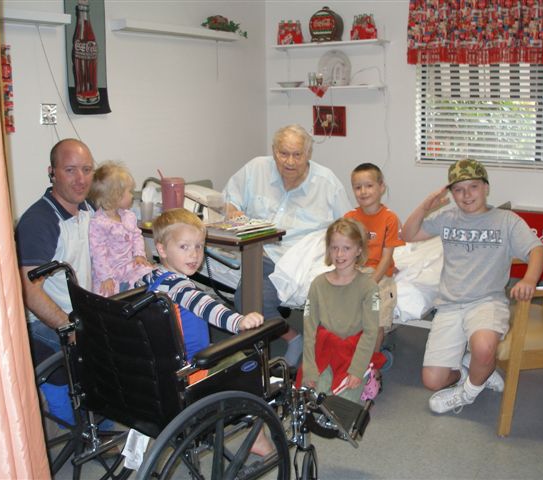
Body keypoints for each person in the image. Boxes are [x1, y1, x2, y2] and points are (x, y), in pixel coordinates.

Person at [401, 158, 543, 414]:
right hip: (449, 305)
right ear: (452, 194)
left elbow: (537, 250)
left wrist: (529, 279)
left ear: (486, 188)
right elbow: (407, 235)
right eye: (459, 189)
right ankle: (475, 372)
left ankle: (467, 392)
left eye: (474, 187)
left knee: (483, 347)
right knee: (433, 381)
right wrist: (425, 206)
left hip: (487, 302)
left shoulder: (506, 220)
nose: (467, 194)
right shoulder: (447, 218)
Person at [137, 208, 273, 455]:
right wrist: (239, 321)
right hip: (193, 372)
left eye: (199, 246)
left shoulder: (151, 279)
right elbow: (207, 307)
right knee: (247, 364)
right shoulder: (181, 288)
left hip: (160, 373)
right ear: (162, 249)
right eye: (184, 247)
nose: (194, 254)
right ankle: (256, 435)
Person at [223, 124, 352, 366]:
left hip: (299, 257)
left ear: (308, 154)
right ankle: (293, 338)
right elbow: (230, 199)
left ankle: (273, 342)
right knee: (247, 299)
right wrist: (233, 212)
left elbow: (346, 225)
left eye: (297, 155)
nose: (290, 162)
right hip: (260, 252)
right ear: (274, 151)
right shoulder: (256, 169)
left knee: (251, 300)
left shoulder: (326, 182)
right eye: (283, 153)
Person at [15, 138, 95, 427]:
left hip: (81, 311)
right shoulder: (40, 221)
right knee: (103, 350)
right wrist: (67, 326)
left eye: (87, 169)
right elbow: (27, 289)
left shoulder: (89, 209)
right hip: (42, 322)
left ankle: (104, 425)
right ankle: (73, 429)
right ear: (52, 173)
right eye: (70, 170)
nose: (80, 179)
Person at [300, 218, 384, 403]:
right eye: (334, 248)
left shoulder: (369, 287)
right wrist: (309, 368)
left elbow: (370, 332)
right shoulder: (318, 284)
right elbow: (309, 329)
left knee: (340, 407)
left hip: (353, 355)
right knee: (314, 401)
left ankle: (369, 375)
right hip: (324, 351)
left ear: (359, 250)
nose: (339, 254)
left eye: (346, 248)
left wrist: (357, 370)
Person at [345, 163, 405, 368]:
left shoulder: (390, 218)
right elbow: (344, 251)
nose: (363, 191)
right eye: (357, 187)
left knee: (376, 319)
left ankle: (371, 364)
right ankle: (348, 356)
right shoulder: (350, 219)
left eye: (369, 186)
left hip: (380, 274)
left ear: (382, 187)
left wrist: (370, 283)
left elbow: (386, 258)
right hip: (354, 270)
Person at [88, 161, 152, 297]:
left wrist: (139, 254)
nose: (132, 195)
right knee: (105, 294)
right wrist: (106, 277)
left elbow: (137, 236)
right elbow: (98, 253)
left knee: (149, 275)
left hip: (129, 266)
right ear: (115, 196)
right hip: (109, 271)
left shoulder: (129, 216)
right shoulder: (98, 223)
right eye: (129, 192)